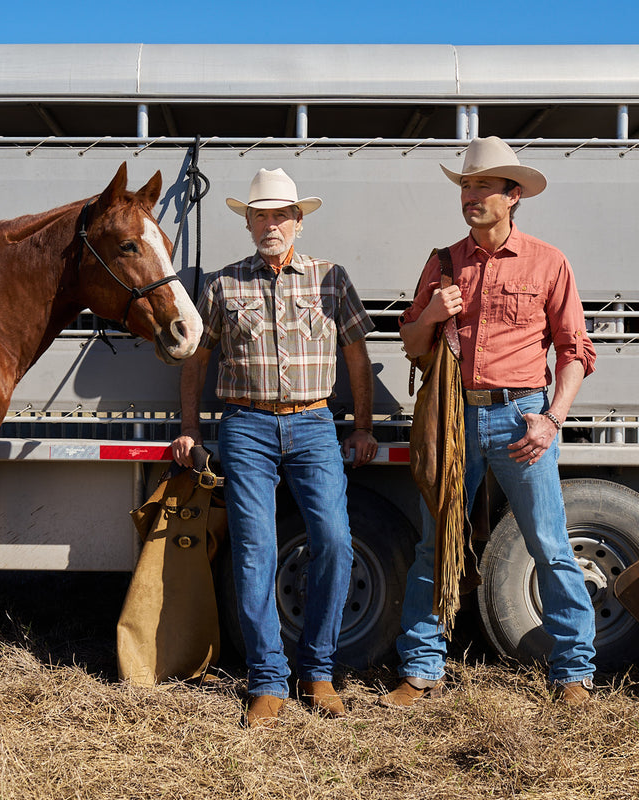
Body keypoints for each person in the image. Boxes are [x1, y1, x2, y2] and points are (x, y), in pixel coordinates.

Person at [383, 136, 597, 708]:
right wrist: (432, 313)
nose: (470, 196)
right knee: (435, 544)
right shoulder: (443, 262)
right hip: (453, 419)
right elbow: (412, 343)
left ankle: (573, 672)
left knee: (549, 544)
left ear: (513, 195)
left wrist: (552, 419)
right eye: (466, 185)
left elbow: (575, 351)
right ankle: (422, 668)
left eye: (483, 186)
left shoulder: (549, 262)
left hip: (522, 418)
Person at [170, 168, 377, 729]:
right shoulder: (223, 284)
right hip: (246, 427)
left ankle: (317, 672)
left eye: (281, 215)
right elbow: (197, 360)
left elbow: (357, 354)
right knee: (254, 551)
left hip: (314, 424)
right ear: (247, 222)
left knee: (334, 541)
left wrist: (362, 427)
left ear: (298, 222)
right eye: (260, 215)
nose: (271, 225)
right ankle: (266, 679)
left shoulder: (331, 278)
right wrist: (189, 427)